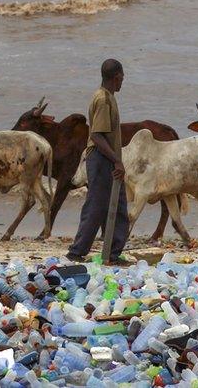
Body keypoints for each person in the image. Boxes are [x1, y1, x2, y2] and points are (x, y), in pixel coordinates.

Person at [67, 59, 132, 266]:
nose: (123, 81)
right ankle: (77, 252)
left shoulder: (108, 97)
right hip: (100, 157)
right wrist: (116, 161)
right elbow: (96, 136)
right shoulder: (103, 99)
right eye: (122, 77)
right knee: (96, 205)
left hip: (108, 157)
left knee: (119, 204)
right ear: (116, 77)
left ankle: (112, 253)